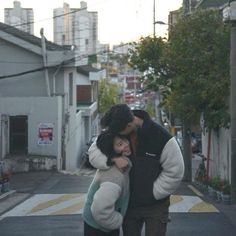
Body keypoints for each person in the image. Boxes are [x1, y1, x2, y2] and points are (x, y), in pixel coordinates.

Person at [88, 104, 184, 236]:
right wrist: (113, 159)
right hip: (129, 205)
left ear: (128, 125)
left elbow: (175, 171)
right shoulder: (117, 126)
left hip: (156, 206)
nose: (116, 135)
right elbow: (93, 152)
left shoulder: (161, 136)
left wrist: (154, 193)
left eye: (120, 134)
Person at [83, 130, 132, 236]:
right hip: (99, 226)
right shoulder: (114, 175)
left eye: (124, 140)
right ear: (111, 150)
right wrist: (117, 220)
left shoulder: (118, 163)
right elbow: (100, 209)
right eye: (120, 144)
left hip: (99, 223)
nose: (126, 144)